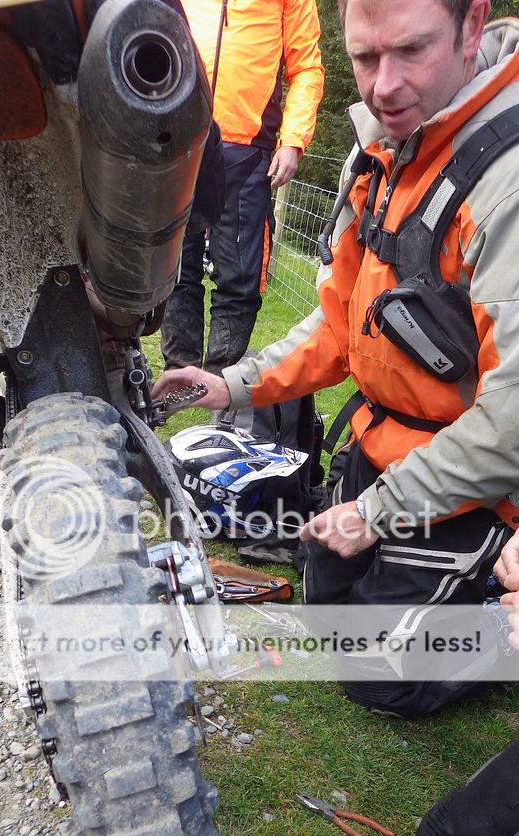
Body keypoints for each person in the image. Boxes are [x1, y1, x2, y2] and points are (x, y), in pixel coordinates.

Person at [154, 0, 519, 717]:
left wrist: (377, 514)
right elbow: (339, 325)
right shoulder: (380, 152)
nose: (382, 86)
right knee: (328, 607)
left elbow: (510, 427)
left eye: (410, 51)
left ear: (472, 26)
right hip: (388, 446)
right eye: (365, 57)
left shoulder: (504, 183)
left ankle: (501, 603)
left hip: (483, 478)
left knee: (379, 678)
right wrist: (229, 385)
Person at [159, 0, 324, 376]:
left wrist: (293, 139)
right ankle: (178, 377)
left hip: (246, 148)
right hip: (178, 138)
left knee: (239, 277)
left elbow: (306, 68)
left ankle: (223, 385)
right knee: (174, 269)